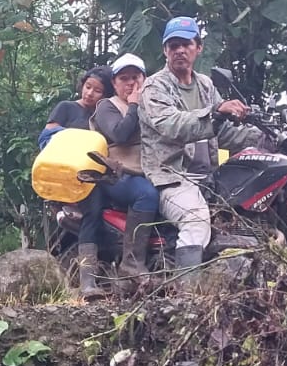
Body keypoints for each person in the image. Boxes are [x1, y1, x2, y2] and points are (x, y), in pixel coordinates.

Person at [138, 17, 261, 277]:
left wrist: (264, 138)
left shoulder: (205, 84)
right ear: (165, 50)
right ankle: (188, 294)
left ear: (198, 48)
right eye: (173, 46)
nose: (180, 50)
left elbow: (224, 132)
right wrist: (216, 111)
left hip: (209, 178)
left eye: (186, 44)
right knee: (195, 219)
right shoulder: (154, 86)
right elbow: (171, 125)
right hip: (171, 177)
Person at [88, 53, 161, 283]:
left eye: (135, 77)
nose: (130, 83)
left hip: (154, 170)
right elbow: (120, 134)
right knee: (146, 194)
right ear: (114, 83)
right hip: (118, 174)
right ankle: (131, 263)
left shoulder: (156, 104)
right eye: (124, 78)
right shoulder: (107, 106)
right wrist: (133, 105)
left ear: (144, 79)